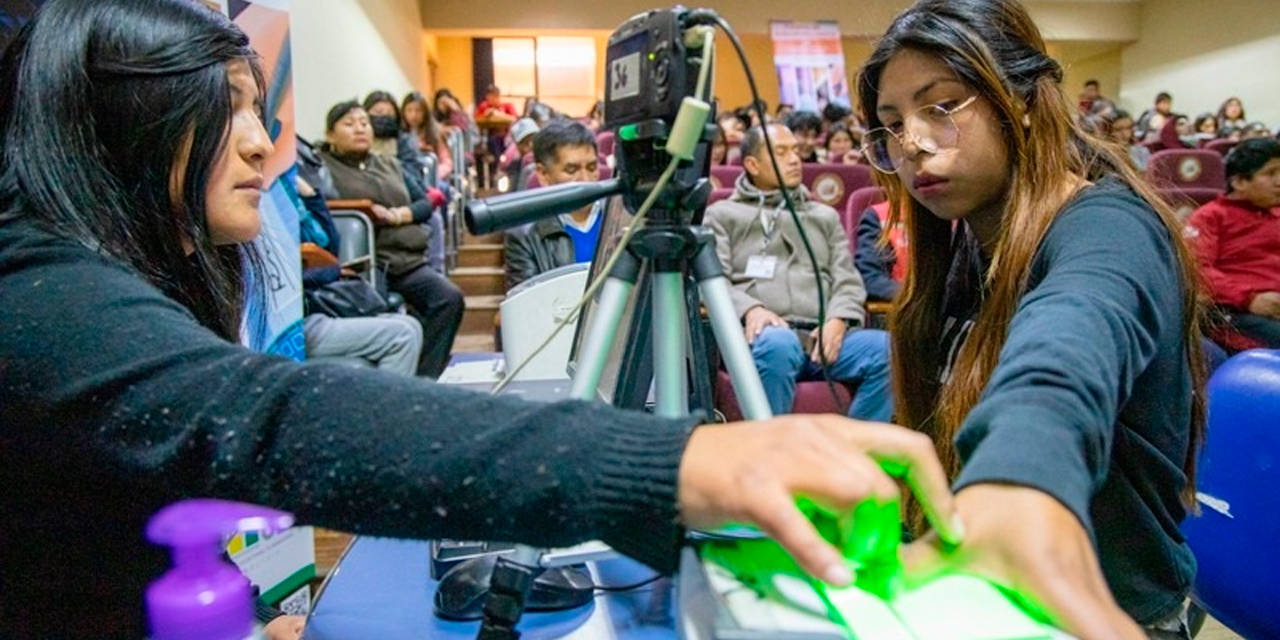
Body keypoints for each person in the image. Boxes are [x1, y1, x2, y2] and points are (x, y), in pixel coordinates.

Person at [0, 1, 968, 638]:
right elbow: (260, 418)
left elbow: (192, 471)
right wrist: (683, 463)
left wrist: (266, 601)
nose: (261, 146)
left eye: (259, 107)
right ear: (124, 127)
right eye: (229, 110)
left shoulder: (144, 263)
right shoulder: (35, 290)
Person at [855, 0, 1207, 637]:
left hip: (1098, 615)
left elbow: (1065, 350)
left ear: (1017, 98)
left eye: (941, 106)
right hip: (982, 602)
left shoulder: (1110, 228)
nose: (911, 143)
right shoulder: (969, 239)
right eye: (892, 123)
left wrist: (1016, 483)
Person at [704, 124, 893, 422]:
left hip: (822, 338)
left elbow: (848, 280)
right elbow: (714, 283)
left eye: (795, 150)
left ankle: (854, 451)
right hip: (762, 336)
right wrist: (751, 309)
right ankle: (771, 456)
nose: (794, 159)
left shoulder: (823, 217)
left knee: (888, 351)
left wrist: (838, 319)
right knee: (779, 344)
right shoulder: (724, 214)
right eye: (781, 152)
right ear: (752, 165)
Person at [317, 100, 464, 377]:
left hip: (406, 261)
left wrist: (397, 215)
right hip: (363, 266)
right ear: (330, 135)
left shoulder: (390, 164)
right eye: (349, 124)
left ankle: (423, 377)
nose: (360, 129)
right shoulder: (323, 168)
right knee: (378, 309)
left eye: (364, 123)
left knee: (448, 298)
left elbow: (425, 201)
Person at [1185, 138, 1280, 348]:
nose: (1279, 181)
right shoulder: (1210, 217)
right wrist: (1249, 298)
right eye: (1270, 173)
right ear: (1239, 182)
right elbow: (1197, 271)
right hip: (1238, 312)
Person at [504, 119, 605, 289]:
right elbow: (529, 306)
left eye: (592, 167)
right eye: (571, 170)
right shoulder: (524, 235)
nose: (585, 179)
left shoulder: (622, 218)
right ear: (543, 174)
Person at [401, 90, 453, 182]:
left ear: (425, 113)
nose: (413, 115)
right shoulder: (400, 135)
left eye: (418, 110)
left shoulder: (434, 133)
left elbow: (446, 161)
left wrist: (433, 175)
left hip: (432, 179)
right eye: (409, 110)